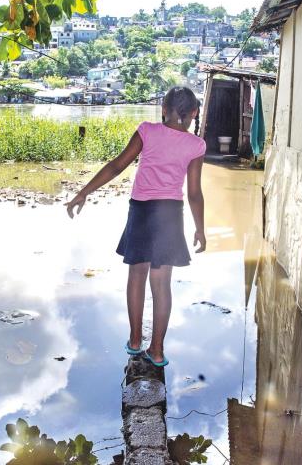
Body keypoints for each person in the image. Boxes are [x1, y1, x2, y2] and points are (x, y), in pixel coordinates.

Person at [66, 86, 207, 367]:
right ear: (193, 113)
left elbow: (117, 166)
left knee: (136, 276)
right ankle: (156, 351)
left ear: (163, 109)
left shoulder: (147, 131)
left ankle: (134, 341)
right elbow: (193, 193)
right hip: (170, 215)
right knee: (162, 284)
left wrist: (85, 191)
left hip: (141, 211)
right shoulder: (196, 146)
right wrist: (200, 229)